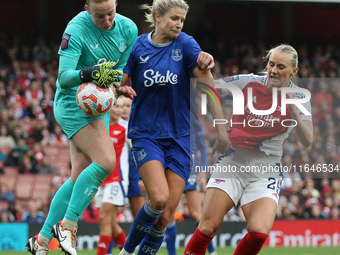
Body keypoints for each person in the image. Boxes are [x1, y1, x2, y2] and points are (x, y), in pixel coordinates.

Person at [26, 1, 138, 255]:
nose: (107, 20)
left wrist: (116, 83)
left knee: (79, 177)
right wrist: (90, 73)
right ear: (87, 8)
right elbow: (63, 78)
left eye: (110, 13)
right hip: (70, 103)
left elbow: (119, 72)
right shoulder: (75, 29)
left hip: (99, 105)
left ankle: (42, 241)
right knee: (106, 160)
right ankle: (68, 225)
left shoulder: (128, 28)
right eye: (100, 16)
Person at [118, 1, 228, 254]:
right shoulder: (136, 47)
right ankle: (126, 252)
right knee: (157, 199)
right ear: (157, 16)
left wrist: (221, 132)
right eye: (174, 18)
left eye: (182, 20)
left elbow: (209, 88)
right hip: (146, 134)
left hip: (180, 137)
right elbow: (119, 83)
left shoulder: (187, 45)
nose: (179, 24)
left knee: (165, 216)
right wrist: (117, 87)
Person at [184, 44, 313, 255]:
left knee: (259, 233)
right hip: (233, 162)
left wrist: (292, 110)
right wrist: (200, 66)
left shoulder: (300, 97)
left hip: (266, 169)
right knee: (207, 228)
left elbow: (307, 140)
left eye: (281, 67)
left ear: (294, 71)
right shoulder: (248, 82)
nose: (273, 70)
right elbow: (207, 86)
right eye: (271, 64)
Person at [165, 129, 217, 255]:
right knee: (168, 215)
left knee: (196, 214)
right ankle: (172, 253)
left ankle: (212, 252)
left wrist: (203, 170)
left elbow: (203, 149)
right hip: (172, 169)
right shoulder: (168, 118)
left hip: (191, 171)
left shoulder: (193, 122)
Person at [95, 98, 128, 254]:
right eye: (116, 106)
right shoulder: (102, 127)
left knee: (104, 218)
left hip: (117, 180)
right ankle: (129, 252)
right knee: (110, 223)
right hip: (101, 179)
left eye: (122, 107)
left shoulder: (126, 128)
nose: (120, 109)